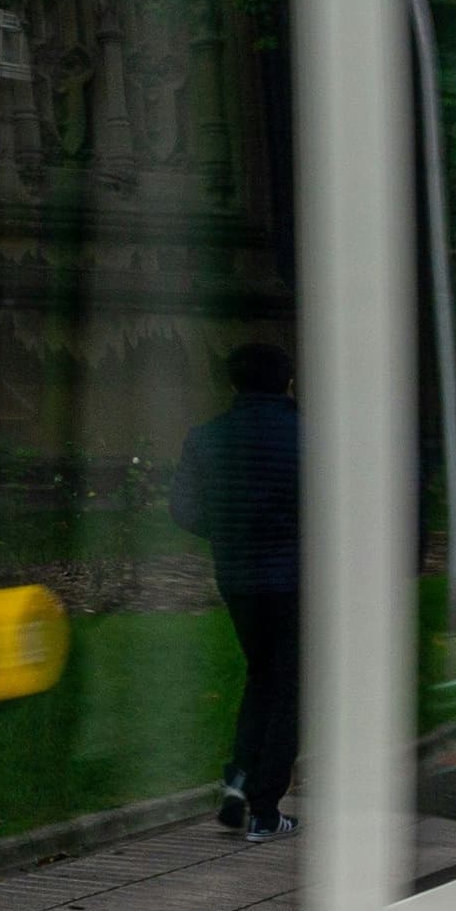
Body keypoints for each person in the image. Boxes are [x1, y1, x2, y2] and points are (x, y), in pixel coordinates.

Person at [174, 340, 304, 839]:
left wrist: (229, 529)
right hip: (292, 580)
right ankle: (266, 812)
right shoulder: (306, 436)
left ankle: (238, 781)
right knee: (290, 688)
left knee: (261, 675)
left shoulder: (205, 438)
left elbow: (183, 510)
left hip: (237, 579)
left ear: (233, 383)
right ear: (286, 381)